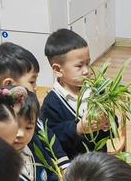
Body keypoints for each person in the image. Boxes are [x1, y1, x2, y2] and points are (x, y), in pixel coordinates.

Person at [0, 42, 70, 169]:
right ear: (9, 83)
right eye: (32, 81)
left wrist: (64, 165)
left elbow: (48, 136)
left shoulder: (29, 110)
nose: (36, 87)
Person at [40, 29, 109, 158]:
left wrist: (107, 124)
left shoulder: (97, 91)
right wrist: (78, 128)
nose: (86, 71)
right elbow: (52, 139)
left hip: (100, 161)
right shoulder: (51, 103)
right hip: (73, 169)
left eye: (88, 63)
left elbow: (112, 124)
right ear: (57, 70)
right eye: (79, 66)